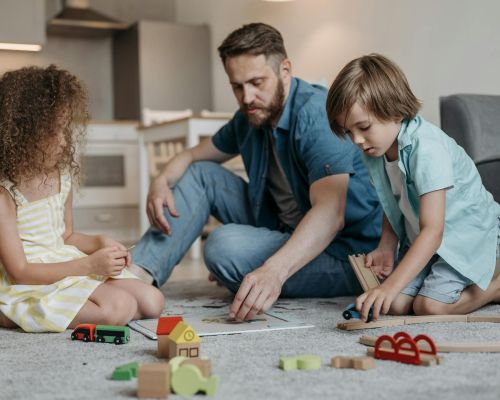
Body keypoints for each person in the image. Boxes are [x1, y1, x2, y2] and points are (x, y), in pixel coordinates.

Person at [131, 23, 382, 321]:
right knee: (200, 173)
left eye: (256, 82)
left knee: (223, 247)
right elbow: (191, 155)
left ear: (285, 70)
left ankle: (251, 270)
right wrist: (160, 180)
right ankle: (136, 276)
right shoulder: (251, 114)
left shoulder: (316, 114)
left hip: (344, 252)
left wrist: (272, 270)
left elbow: (330, 214)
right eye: (237, 86)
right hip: (284, 228)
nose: (247, 97)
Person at [326, 53, 500, 322]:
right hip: (425, 239)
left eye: (363, 127)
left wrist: (388, 285)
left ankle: (493, 286)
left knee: (429, 308)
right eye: (348, 132)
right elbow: (391, 199)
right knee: (394, 304)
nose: (357, 140)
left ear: (394, 110)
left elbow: (434, 230)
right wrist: (386, 244)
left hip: (466, 237)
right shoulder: (375, 148)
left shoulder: (427, 149)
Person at [0, 65, 164, 332]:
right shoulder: (5, 195)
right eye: (55, 131)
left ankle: (76, 299)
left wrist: (100, 242)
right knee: (119, 308)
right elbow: (19, 271)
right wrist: (87, 265)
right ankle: (10, 312)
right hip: (30, 282)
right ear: (23, 133)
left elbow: (66, 236)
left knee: (152, 300)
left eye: (66, 130)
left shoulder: (61, 177)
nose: (65, 141)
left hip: (67, 265)